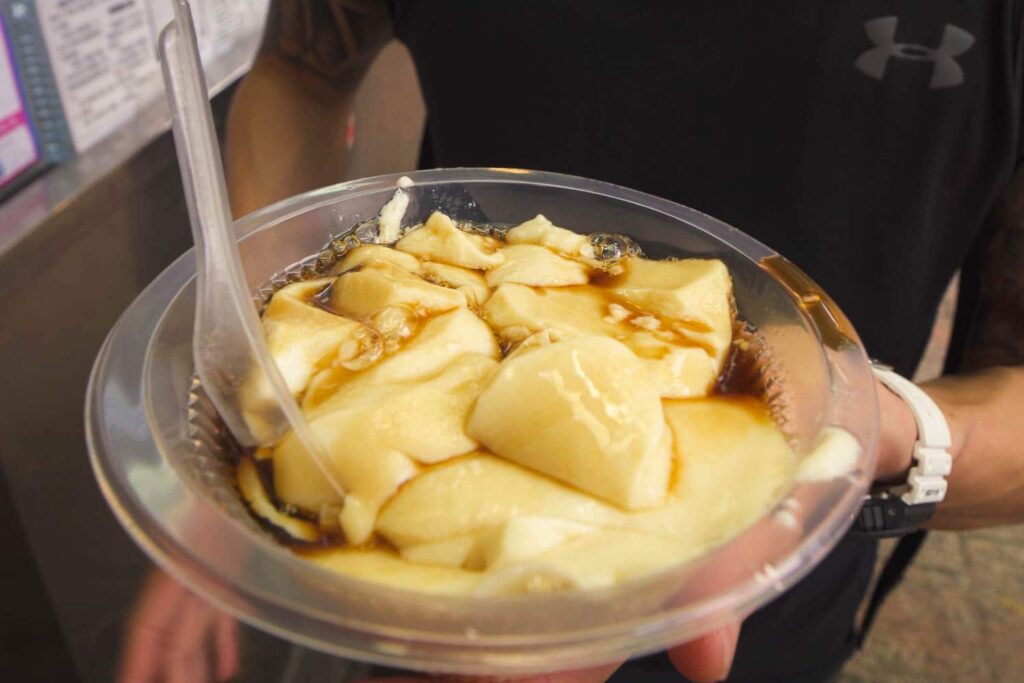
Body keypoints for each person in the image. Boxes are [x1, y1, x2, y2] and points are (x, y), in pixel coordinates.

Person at [120, 2, 1024, 682]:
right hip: (403, 567)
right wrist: (263, 390)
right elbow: (302, 69)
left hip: (779, 585)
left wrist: (875, 426)